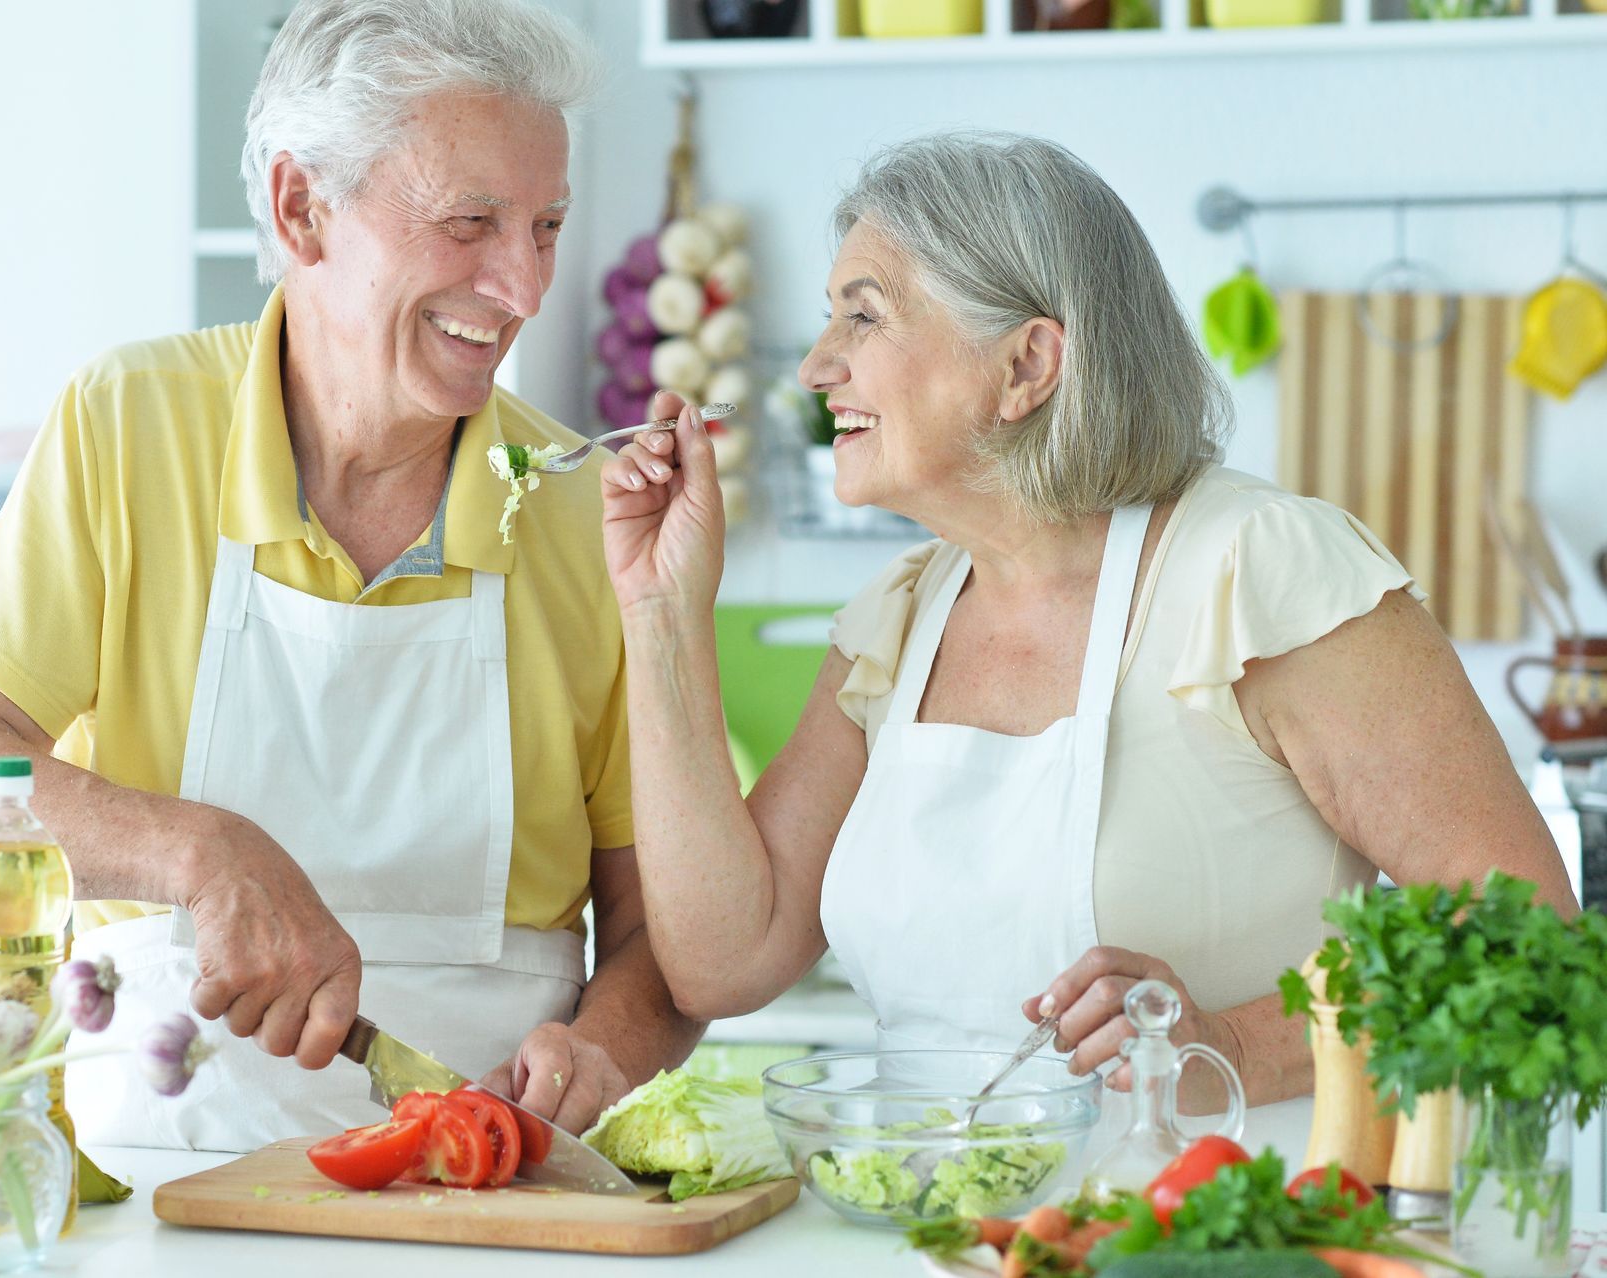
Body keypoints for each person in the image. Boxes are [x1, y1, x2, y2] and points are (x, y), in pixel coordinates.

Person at [600, 132, 1576, 1151]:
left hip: (1231, 1227)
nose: (816, 366)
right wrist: (662, 612)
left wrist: (1235, 1047)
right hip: (938, 1234)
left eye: (865, 314)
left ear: (1026, 363)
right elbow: (724, 961)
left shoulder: (1257, 571)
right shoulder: (898, 618)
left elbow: (1527, 943)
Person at [0, 0, 701, 1151]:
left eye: (547, 226)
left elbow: (657, 930)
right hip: (165, 1176)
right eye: (472, 222)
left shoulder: (576, 507)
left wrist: (606, 1045)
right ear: (301, 208)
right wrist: (203, 852)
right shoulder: (130, 426)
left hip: (492, 1190)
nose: (522, 286)